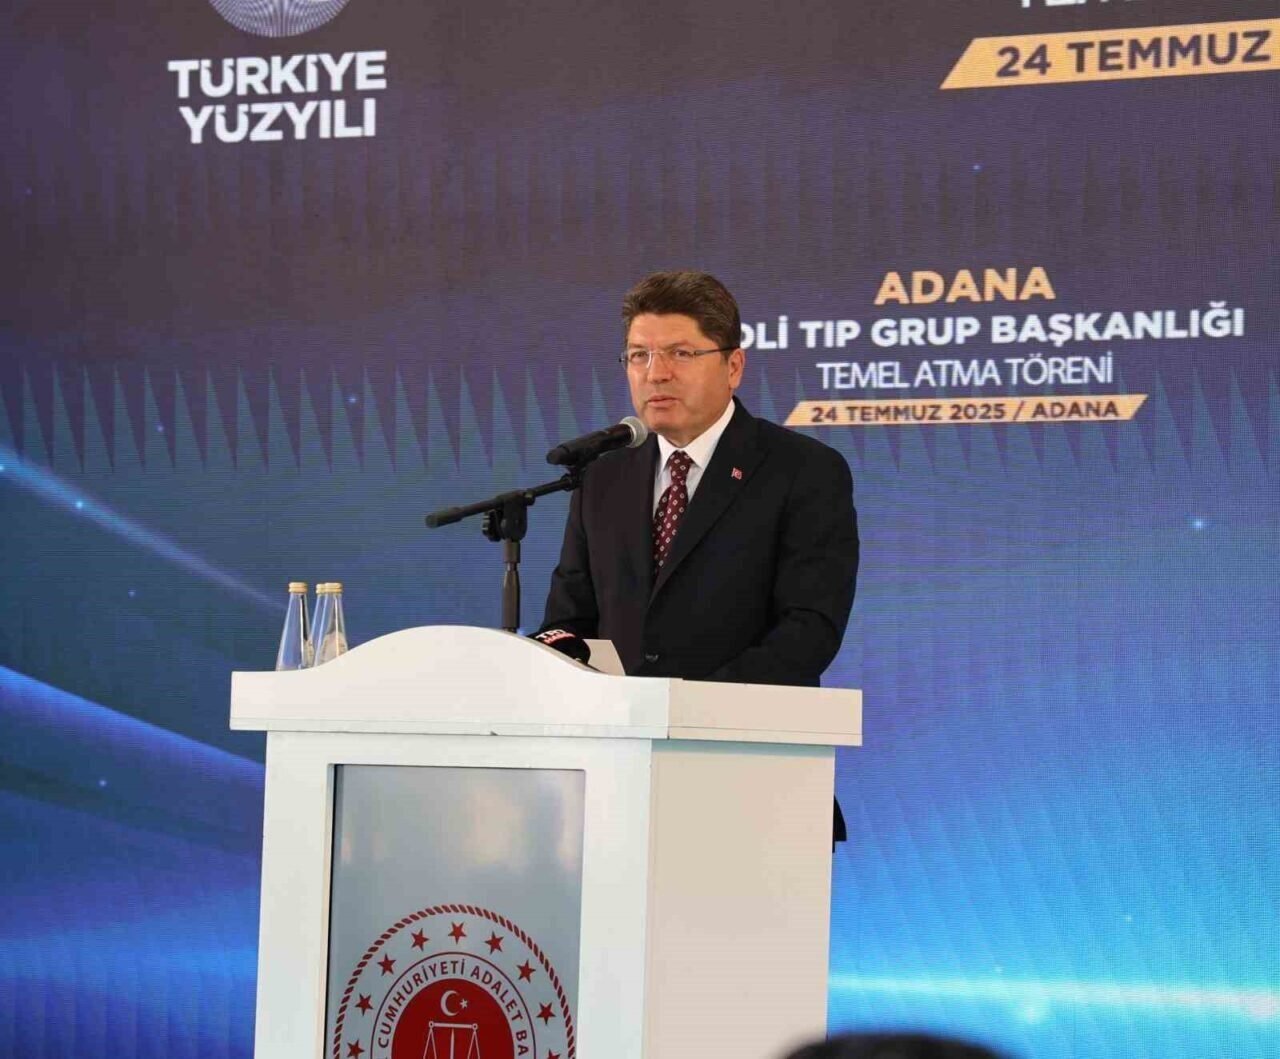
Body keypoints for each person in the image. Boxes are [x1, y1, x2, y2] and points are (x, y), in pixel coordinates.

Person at [539, 270, 858, 689]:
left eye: (681, 353)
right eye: (639, 355)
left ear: (734, 367)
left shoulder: (803, 470)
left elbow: (808, 631)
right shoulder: (602, 478)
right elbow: (568, 622)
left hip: (743, 724)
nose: (656, 373)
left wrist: (695, 705)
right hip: (619, 726)